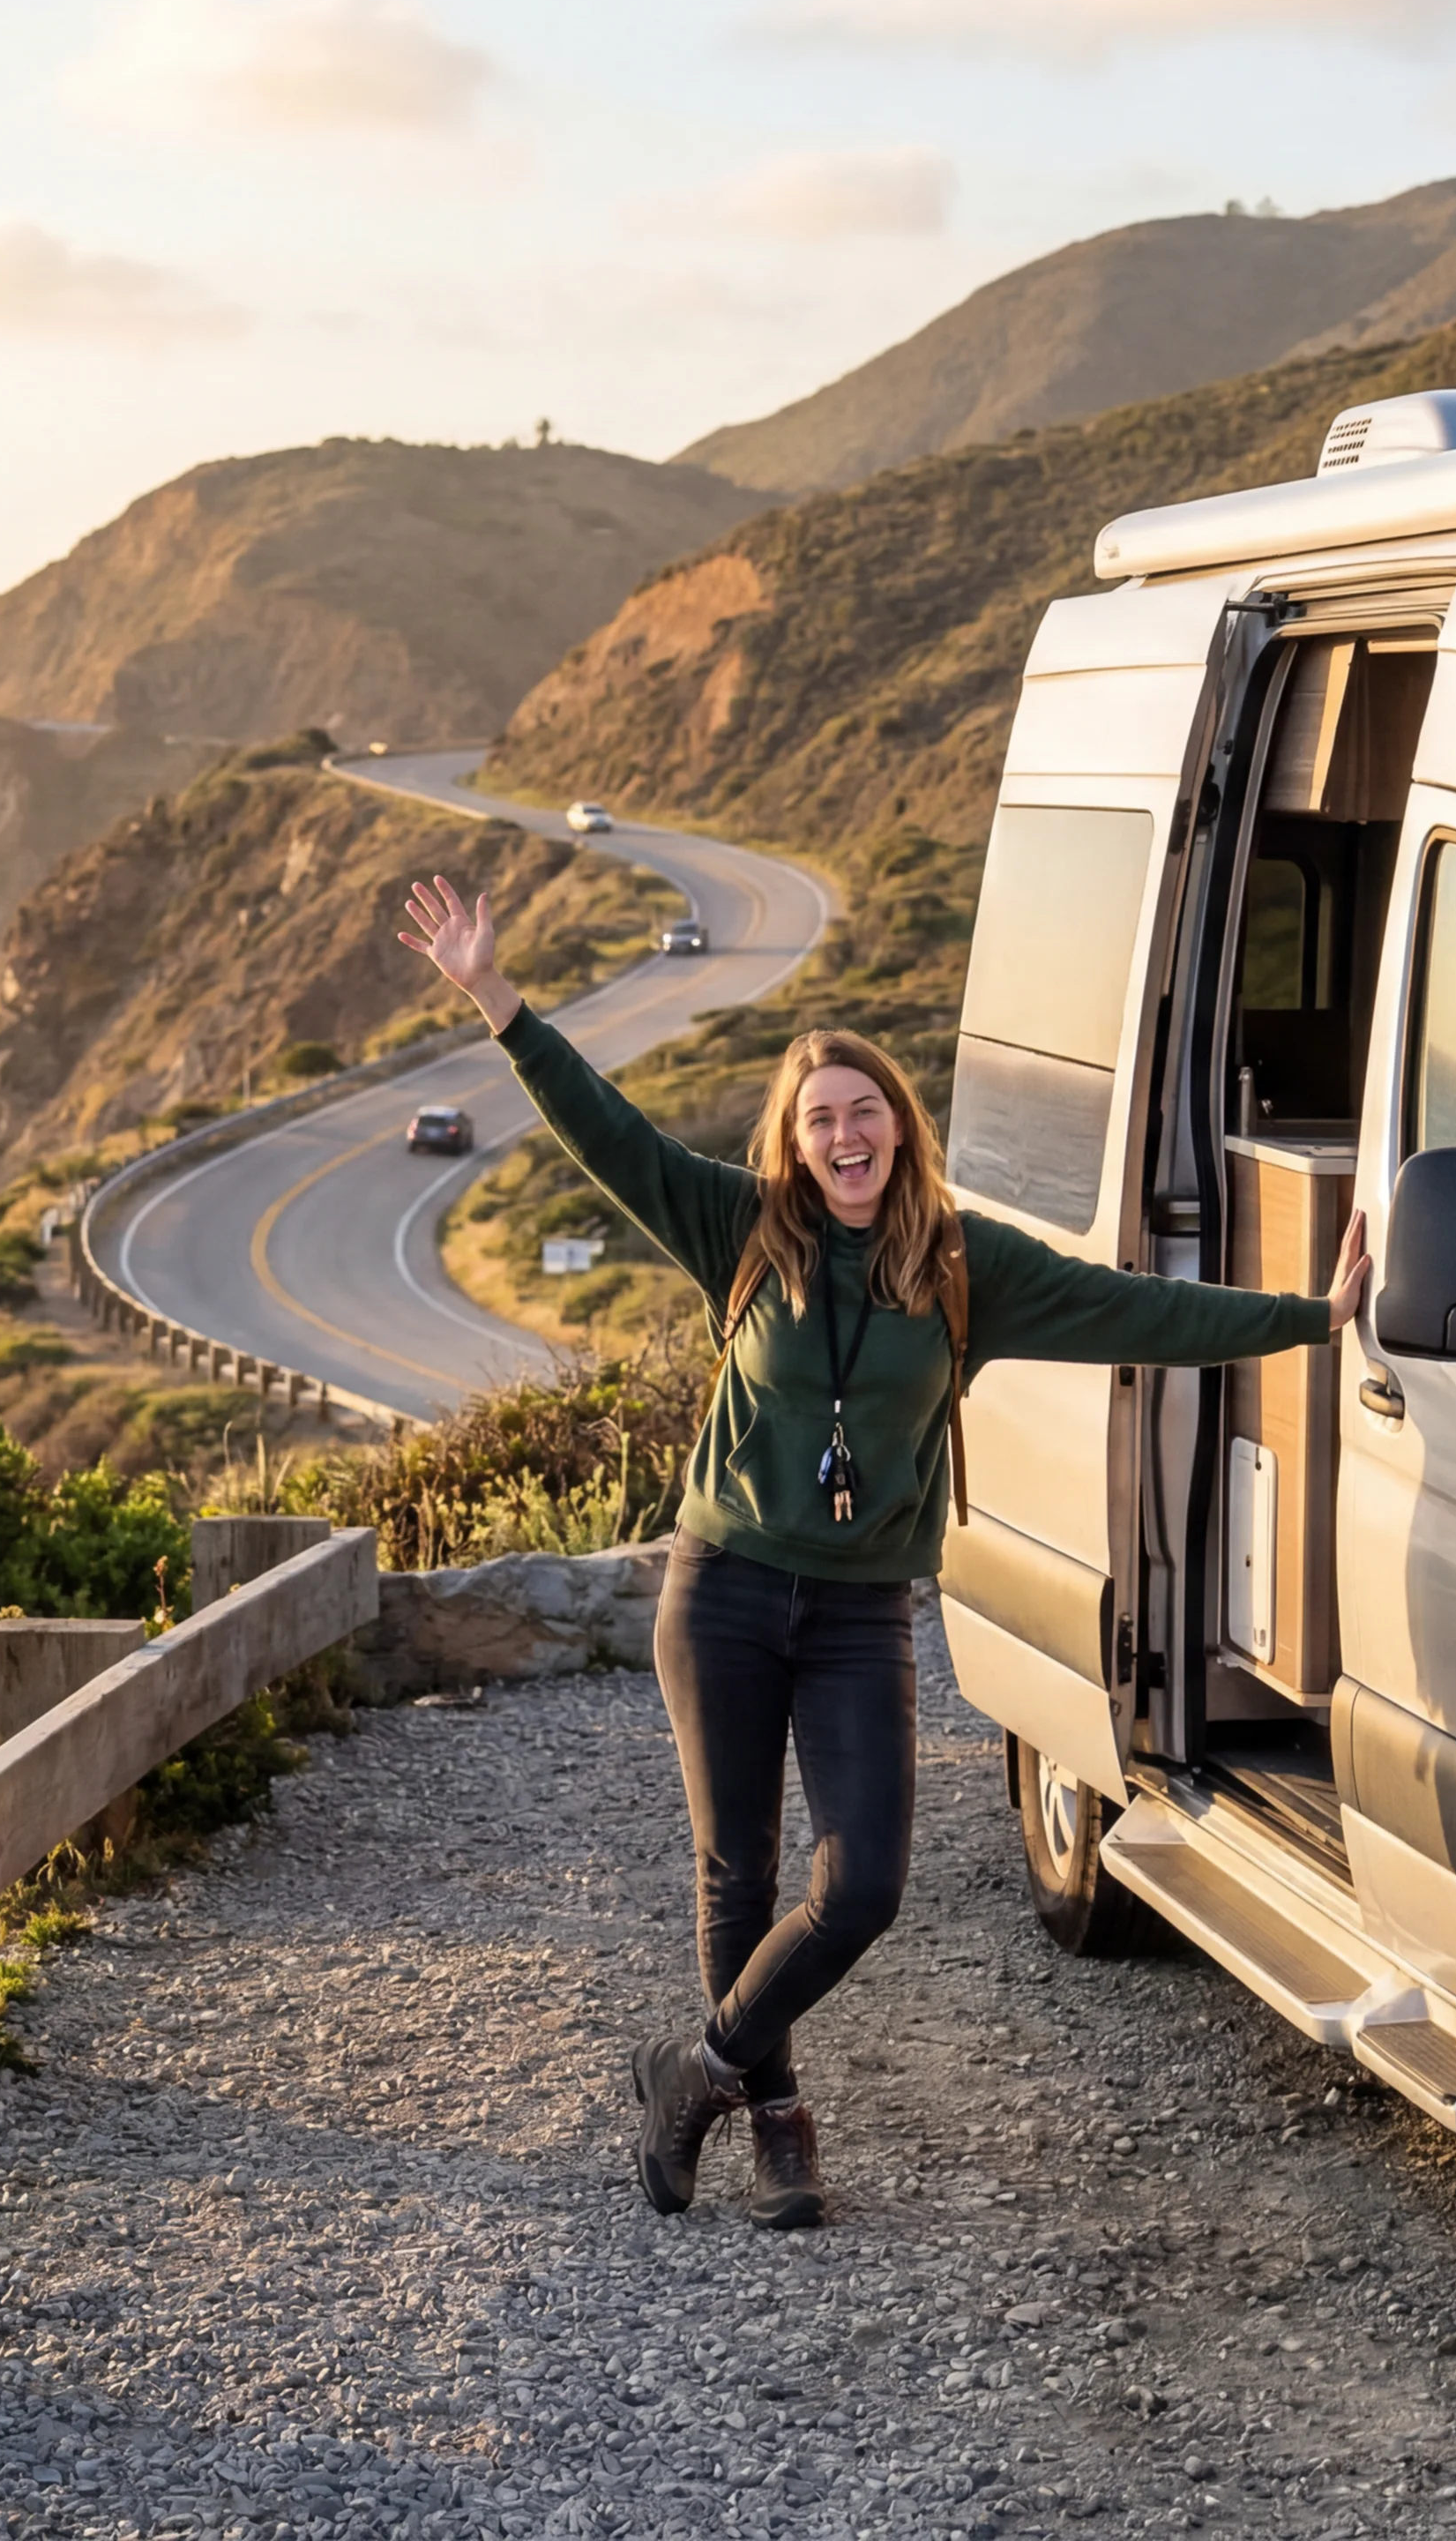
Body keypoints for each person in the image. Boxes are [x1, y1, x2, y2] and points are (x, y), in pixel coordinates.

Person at [396, 876, 1369, 2230]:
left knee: (864, 1886)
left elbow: (1139, 1308)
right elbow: (606, 1136)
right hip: (723, 1590)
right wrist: (496, 999)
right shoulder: (739, 1228)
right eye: (820, 1120)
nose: (846, 1136)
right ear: (794, 1147)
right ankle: (778, 2126)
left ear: (899, 1131)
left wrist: (1308, 1319)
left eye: (866, 1112)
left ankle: (700, 2067)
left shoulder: (967, 1267)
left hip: (858, 1613)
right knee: (737, 1871)